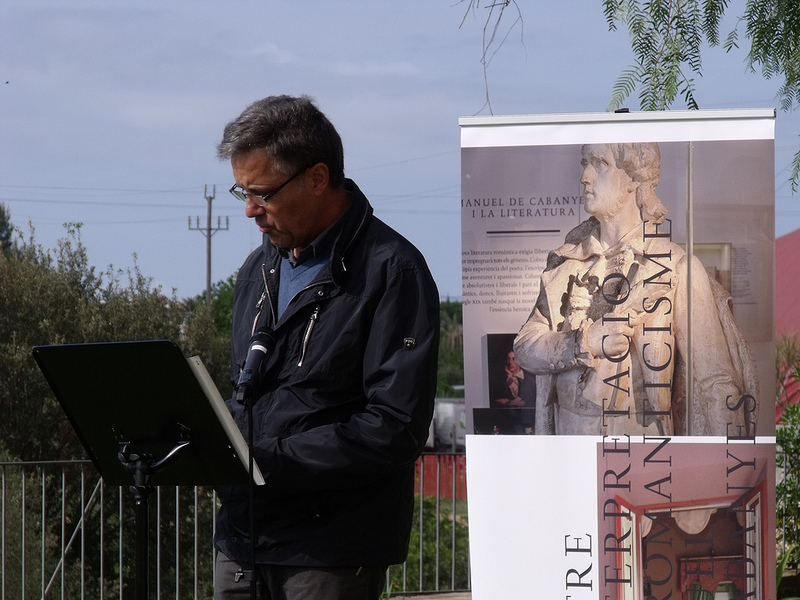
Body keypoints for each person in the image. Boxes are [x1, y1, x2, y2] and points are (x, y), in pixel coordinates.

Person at [213, 95, 440, 600]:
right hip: (242, 541)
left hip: (330, 552)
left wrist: (269, 461)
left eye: (262, 194)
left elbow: (394, 426)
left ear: (317, 178)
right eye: (242, 192)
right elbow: (249, 395)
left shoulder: (393, 270)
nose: (251, 211)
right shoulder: (257, 267)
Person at [513, 142, 757, 436]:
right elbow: (525, 346)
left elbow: (715, 382)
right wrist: (585, 341)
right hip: (569, 447)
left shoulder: (675, 267)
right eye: (584, 164)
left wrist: (724, 467)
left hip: (642, 454)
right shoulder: (567, 264)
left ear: (633, 179)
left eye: (600, 164)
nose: (585, 177)